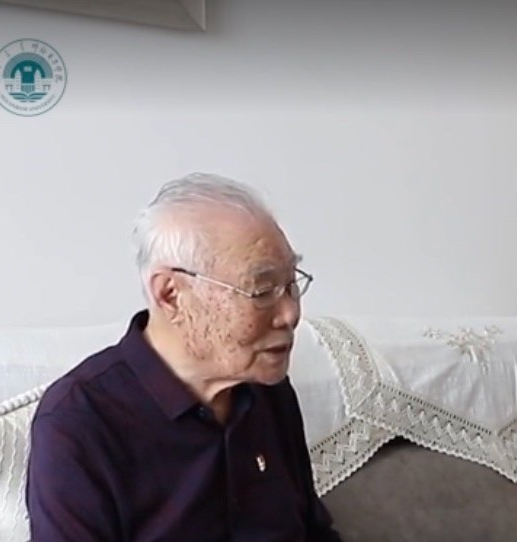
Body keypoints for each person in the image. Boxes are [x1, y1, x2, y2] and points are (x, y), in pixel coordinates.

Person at [26, 173, 342, 541]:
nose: (290, 313)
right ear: (171, 295)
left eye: (290, 285)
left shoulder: (267, 389)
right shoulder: (79, 421)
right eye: (262, 290)